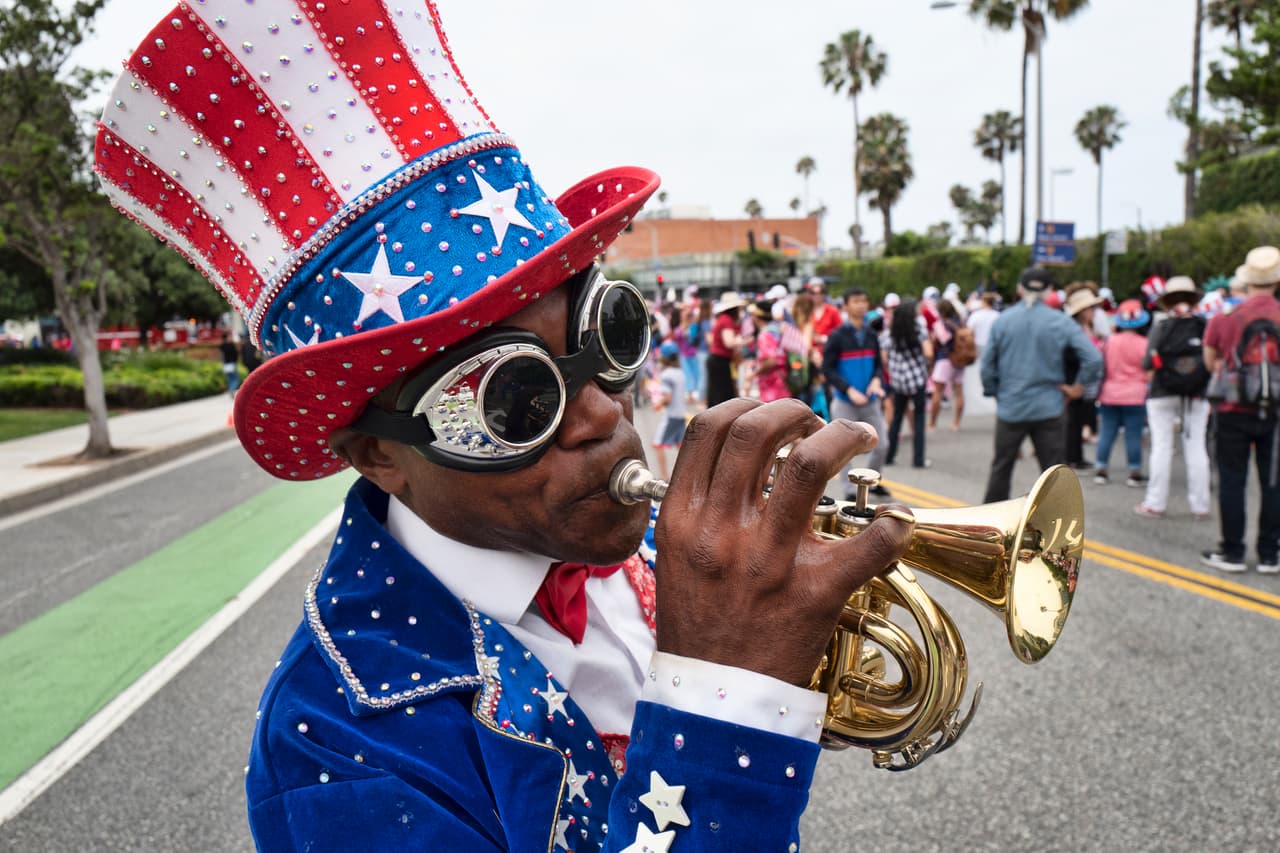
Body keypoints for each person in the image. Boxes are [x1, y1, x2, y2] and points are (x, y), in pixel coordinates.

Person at [96, 4, 916, 851]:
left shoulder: (638, 544)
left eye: (607, 336)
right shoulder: (333, 748)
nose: (601, 413)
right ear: (379, 454)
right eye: (513, 399)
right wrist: (724, 699)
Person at [980, 267, 1103, 503]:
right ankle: (1056, 521)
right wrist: (1078, 388)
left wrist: (996, 393)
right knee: (1053, 473)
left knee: (1001, 467)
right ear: (1049, 291)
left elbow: (987, 367)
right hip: (1049, 407)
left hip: (1012, 406)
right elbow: (1093, 358)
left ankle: (992, 520)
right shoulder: (1059, 321)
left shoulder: (1003, 321)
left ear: (1020, 288)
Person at [1201, 246, 1280, 573]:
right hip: (1276, 411)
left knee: (1232, 479)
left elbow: (1210, 362)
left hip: (1232, 408)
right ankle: (1270, 554)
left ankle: (1233, 552)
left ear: (1247, 280)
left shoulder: (1225, 318)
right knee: (1273, 481)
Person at [1136, 277, 1212, 520]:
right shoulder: (1203, 325)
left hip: (1162, 391)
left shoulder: (1162, 327)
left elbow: (1147, 362)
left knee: (1161, 446)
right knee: (1197, 445)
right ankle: (1200, 506)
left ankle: (1155, 503)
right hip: (1197, 393)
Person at [823, 288, 890, 497]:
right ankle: (850, 489)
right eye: (856, 301)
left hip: (870, 400)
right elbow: (827, 369)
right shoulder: (837, 336)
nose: (861, 305)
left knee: (882, 444)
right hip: (845, 401)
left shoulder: (871, 334)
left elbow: (878, 365)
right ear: (845, 306)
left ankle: (872, 480)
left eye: (864, 301)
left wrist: (877, 380)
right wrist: (848, 390)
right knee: (845, 449)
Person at [1092, 299, 1150, 488]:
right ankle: (1134, 472)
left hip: (1110, 393)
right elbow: (1149, 370)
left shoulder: (1109, 341)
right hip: (1136, 394)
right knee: (1133, 434)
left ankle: (1101, 468)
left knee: (1107, 432)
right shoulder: (1145, 343)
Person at [879, 297, 933, 468]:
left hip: (898, 381)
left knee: (897, 418)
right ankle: (918, 459)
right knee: (919, 418)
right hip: (917, 379)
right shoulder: (919, 330)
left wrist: (892, 370)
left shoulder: (889, 333)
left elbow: (884, 357)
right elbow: (929, 353)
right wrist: (925, 365)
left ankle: (889, 456)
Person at [1062, 287, 1104, 470]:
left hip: (1085, 380)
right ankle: (1071, 457)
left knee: (1079, 419)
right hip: (1074, 379)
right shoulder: (1073, 331)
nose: (1093, 312)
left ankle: (1076, 456)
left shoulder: (1085, 328)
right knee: (1072, 420)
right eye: (1090, 308)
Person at [927, 298, 967, 432]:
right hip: (960, 360)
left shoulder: (941, 324)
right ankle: (956, 423)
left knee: (937, 392)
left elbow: (941, 341)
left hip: (945, 359)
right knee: (959, 392)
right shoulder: (960, 322)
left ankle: (932, 423)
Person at [651, 341, 687, 478]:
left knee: (657, 444)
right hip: (680, 414)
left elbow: (667, 397)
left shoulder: (666, 375)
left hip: (671, 416)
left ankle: (664, 477)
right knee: (681, 446)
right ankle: (685, 476)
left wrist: (657, 404)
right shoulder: (680, 372)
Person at [705, 293, 747, 407]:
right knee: (722, 394)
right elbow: (729, 342)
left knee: (718, 393)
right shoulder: (726, 320)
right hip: (720, 360)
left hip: (718, 360)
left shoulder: (723, 319)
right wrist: (744, 341)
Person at [748, 301, 790, 402]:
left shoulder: (765, 335)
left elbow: (771, 361)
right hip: (783, 381)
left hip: (772, 386)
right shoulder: (777, 330)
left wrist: (753, 374)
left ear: (757, 317)